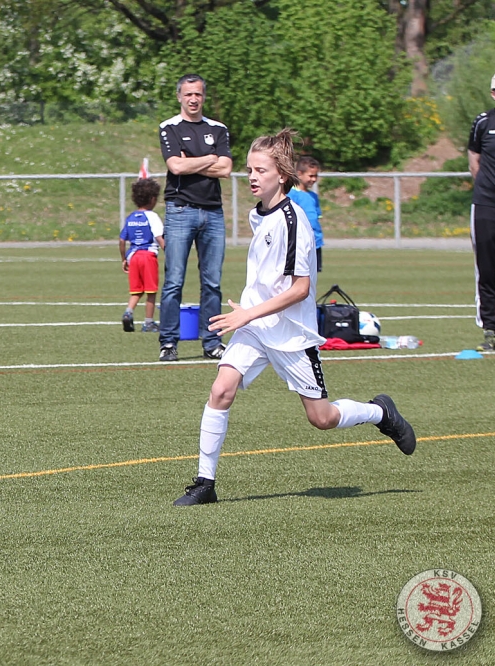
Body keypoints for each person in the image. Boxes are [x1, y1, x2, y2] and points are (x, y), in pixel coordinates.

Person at [172, 129, 416, 507]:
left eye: (261, 170)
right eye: (249, 170)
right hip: (257, 325)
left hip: (291, 333)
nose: (252, 177)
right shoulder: (258, 213)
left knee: (322, 418)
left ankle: (380, 412)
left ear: (282, 175)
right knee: (221, 390)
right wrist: (249, 313)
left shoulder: (293, 221)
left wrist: (249, 312)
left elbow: (301, 289)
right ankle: (205, 483)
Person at [157, 74, 233, 362]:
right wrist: (210, 158)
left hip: (213, 211)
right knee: (174, 281)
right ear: (179, 96)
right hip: (180, 210)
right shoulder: (169, 127)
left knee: (212, 283)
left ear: (204, 96)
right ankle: (168, 343)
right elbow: (175, 167)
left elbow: (226, 168)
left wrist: (192, 161)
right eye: (188, 94)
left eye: (198, 94)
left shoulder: (218, 129)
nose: (193, 99)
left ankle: (212, 342)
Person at [467, 69, 495, 352]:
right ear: (494, 94)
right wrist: (486, 188)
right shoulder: (483, 122)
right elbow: (474, 159)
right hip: (488, 204)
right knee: (487, 269)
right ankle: (491, 330)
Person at [120, 178, 165, 333]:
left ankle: (128, 312)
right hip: (148, 256)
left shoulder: (131, 217)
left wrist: (124, 259)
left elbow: (122, 240)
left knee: (137, 290)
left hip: (133, 256)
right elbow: (159, 237)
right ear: (153, 199)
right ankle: (148, 322)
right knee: (151, 291)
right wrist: (171, 253)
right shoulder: (152, 216)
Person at [286, 156, 324, 272]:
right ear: (299, 174)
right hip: (299, 244)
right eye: (311, 176)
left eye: (316, 176)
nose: (314, 179)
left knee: (313, 274)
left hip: (315, 242)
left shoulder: (313, 196)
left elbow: (316, 218)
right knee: (299, 274)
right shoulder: (291, 195)